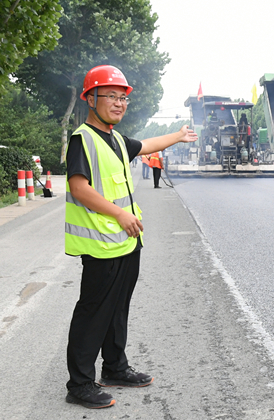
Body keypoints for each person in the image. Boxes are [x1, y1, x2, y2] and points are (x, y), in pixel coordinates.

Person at [64, 65, 198, 409]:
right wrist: (120, 214)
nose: (119, 103)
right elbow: (79, 188)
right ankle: (79, 384)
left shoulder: (117, 140)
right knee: (93, 313)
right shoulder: (83, 139)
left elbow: (148, 144)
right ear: (90, 98)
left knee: (117, 310)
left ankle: (115, 367)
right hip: (101, 244)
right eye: (111, 96)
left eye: (122, 98)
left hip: (126, 242)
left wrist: (178, 135)